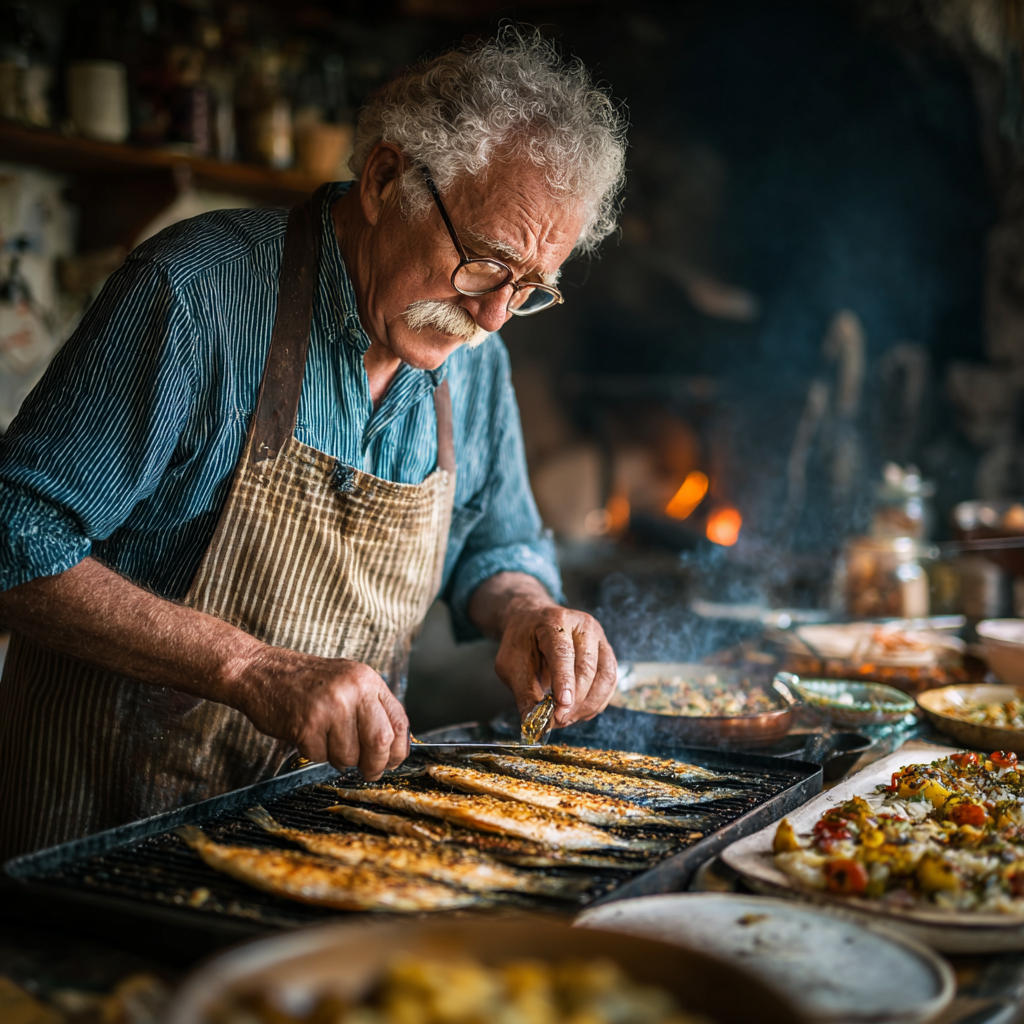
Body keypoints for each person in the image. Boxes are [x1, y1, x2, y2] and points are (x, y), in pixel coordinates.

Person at [0, 29, 628, 858]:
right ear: (385, 179)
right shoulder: (194, 295)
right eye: (483, 262)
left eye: (530, 288)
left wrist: (527, 611)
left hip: (321, 841)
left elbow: (495, 544)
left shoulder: (475, 360)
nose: (493, 315)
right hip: (104, 833)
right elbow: (16, 535)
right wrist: (248, 668)